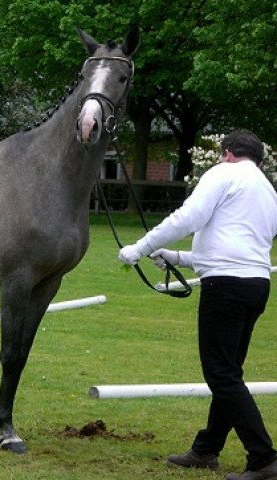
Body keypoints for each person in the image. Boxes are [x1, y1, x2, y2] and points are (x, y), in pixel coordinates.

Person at [118, 129, 277, 480]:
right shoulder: (266, 188)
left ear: (228, 153)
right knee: (229, 371)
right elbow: (235, 243)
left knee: (221, 374)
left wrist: (139, 248)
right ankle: (207, 449)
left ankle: (264, 458)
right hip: (256, 284)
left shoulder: (223, 172)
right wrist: (179, 257)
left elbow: (187, 218)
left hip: (226, 286)